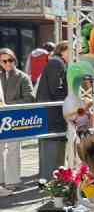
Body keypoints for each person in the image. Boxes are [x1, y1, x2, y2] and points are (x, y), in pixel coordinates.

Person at [0, 48, 34, 195]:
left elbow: (29, 98)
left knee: (13, 150)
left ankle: (12, 181)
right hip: (1, 118)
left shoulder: (22, 77)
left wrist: (7, 105)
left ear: (14, 60)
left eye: (10, 60)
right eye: (4, 61)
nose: (8, 63)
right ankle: (1, 181)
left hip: (15, 118)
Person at [36, 41, 68, 181]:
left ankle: (50, 179)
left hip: (51, 112)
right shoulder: (57, 63)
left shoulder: (56, 62)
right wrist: (70, 96)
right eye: (71, 50)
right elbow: (56, 89)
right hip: (53, 113)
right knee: (52, 147)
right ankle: (51, 180)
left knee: (51, 147)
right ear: (63, 51)